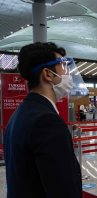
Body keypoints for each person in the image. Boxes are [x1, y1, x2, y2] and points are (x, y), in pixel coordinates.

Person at [4, 42, 82, 197]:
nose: (67, 72)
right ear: (48, 74)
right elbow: (63, 190)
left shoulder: (19, 115)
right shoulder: (46, 122)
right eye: (62, 64)